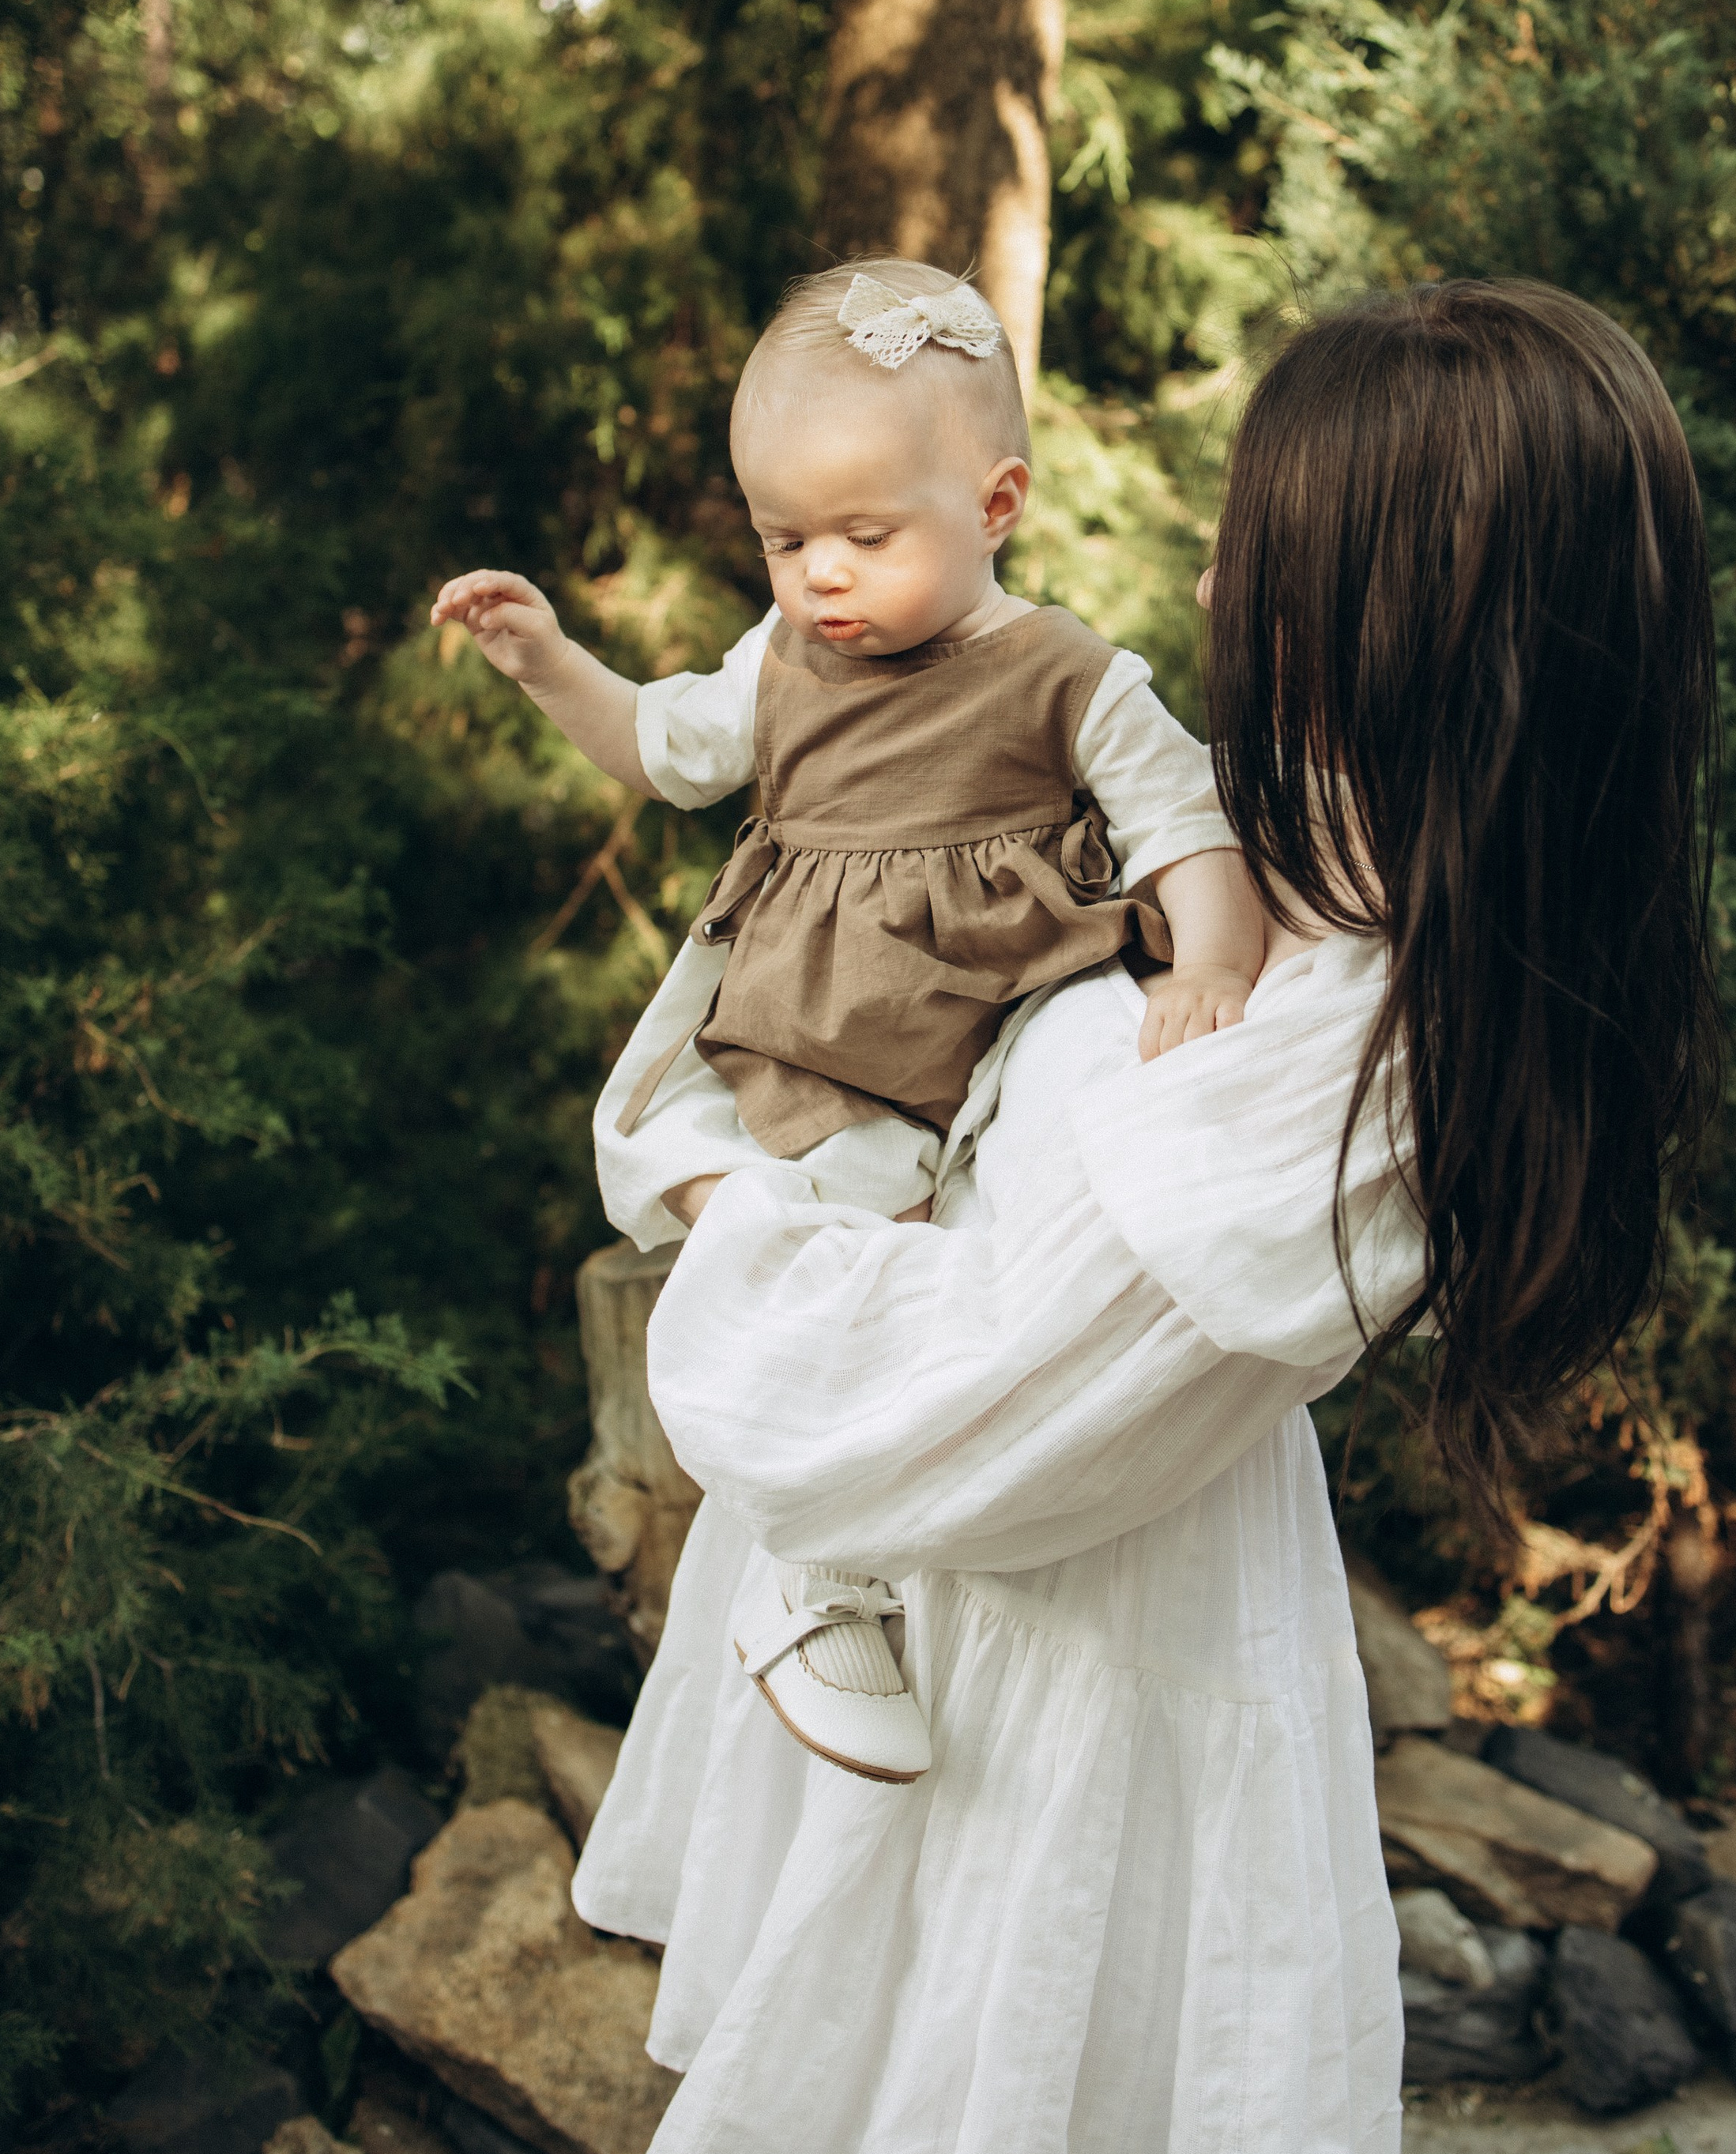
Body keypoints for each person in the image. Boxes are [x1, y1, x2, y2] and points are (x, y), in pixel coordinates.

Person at [571, 278, 1722, 2154]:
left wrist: (721, 1196)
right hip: (962, 1638)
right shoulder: (1264, 839)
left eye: (1261, 551)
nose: (1202, 582)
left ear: (1404, 614)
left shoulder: (1341, 1052)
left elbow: (934, 1409)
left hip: (1056, 1703)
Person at [431, 258, 1264, 1783]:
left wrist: (1210, 960)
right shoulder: (783, 659)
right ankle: (821, 1557)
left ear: (997, 503)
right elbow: (661, 746)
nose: (820, 574)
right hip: (813, 1038)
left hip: (990, 1038)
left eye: (866, 537)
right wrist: (550, 663)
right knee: (784, 1236)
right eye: (783, 537)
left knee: (945, 1271)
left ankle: (873, 1530)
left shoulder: (1068, 676)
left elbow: (1183, 821)